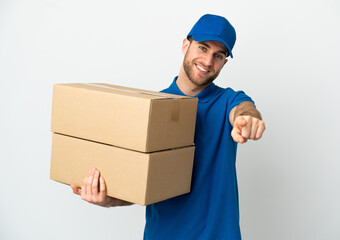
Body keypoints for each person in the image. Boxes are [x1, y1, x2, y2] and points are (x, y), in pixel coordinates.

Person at [71, 14, 265, 239]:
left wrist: (248, 119)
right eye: (202, 48)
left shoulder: (229, 101)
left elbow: (244, 110)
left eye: (218, 55)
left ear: (224, 62)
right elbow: (138, 187)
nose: (208, 61)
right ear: (185, 45)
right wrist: (104, 198)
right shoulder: (153, 107)